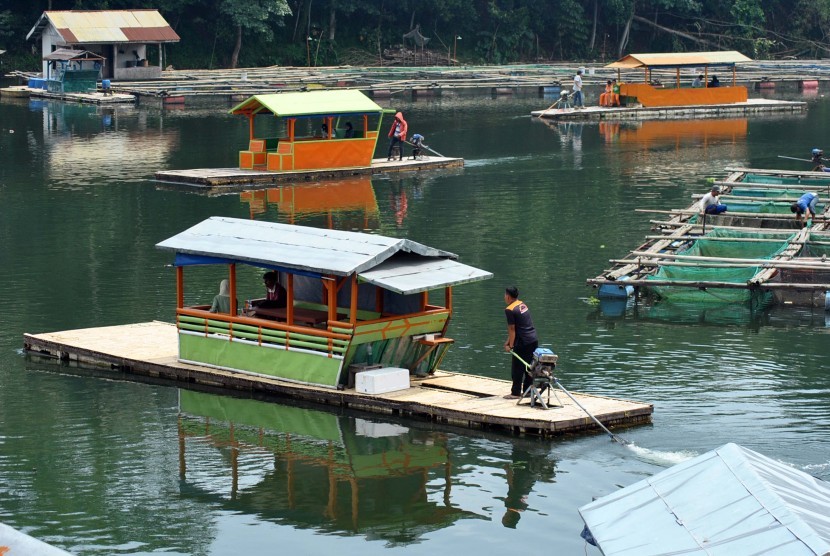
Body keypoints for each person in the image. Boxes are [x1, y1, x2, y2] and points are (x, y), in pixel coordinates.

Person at [503, 286, 538, 399]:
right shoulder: (521, 304)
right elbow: (519, 327)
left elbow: (512, 329)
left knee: (517, 368)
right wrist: (507, 342)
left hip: (522, 341)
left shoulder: (509, 309)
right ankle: (528, 391)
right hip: (532, 339)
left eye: (505, 295)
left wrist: (511, 346)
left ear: (508, 296)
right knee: (529, 366)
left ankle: (515, 393)